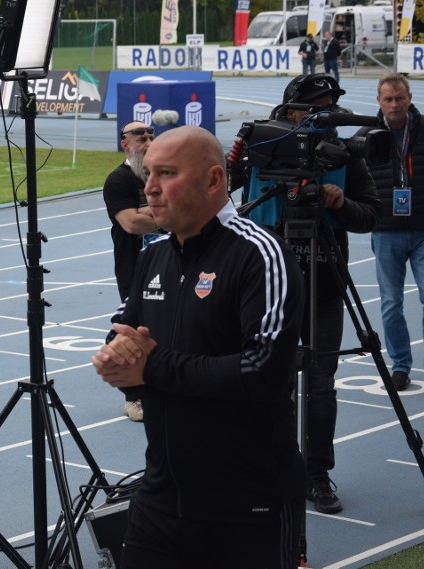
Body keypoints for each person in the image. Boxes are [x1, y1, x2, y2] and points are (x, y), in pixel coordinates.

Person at [92, 126, 307, 568]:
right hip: (159, 500)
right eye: (149, 172)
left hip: (246, 506)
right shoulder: (153, 257)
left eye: (166, 173)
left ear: (213, 181)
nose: (149, 187)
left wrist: (151, 368)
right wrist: (115, 356)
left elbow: (263, 371)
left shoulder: (262, 254)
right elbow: (124, 334)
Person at [239, 74, 380, 515]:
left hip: (325, 280)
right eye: (315, 108)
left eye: (330, 108)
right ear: (292, 110)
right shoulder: (264, 146)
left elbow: (369, 214)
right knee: (267, 379)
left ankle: (316, 474)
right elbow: (232, 206)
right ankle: (271, 470)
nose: (324, 116)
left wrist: (339, 205)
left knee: (320, 383)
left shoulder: (347, 155)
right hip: (270, 282)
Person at [356, 73, 424, 393]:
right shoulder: (367, 136)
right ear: (379, 101)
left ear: (409, 97)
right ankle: (400, 366)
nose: (394, 104)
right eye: (388, 99)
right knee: (390, 302)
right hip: (386, 230)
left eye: (399, 97)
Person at [102, 121, 161, 422]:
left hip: (172, 263)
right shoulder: (119, 181)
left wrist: (149, 214)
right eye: (140, 138)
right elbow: (131, 223)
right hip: (134, 267)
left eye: (151, 136)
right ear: (125, 144)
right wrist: (169, 212)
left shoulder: (163, 174)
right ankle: (133, 397)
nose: (148, 141)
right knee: (133, 329)